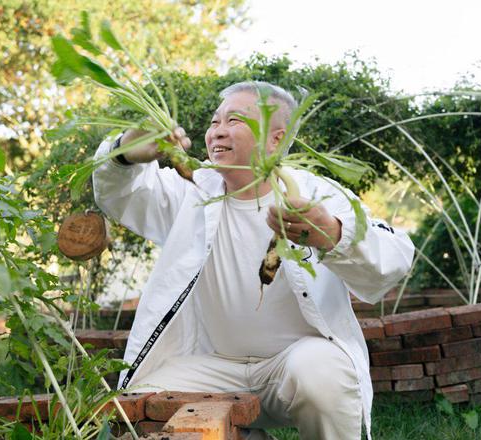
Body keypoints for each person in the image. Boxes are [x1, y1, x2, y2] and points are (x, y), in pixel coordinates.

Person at [92, 81, 415, 439]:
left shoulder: (317, 194)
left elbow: (397, 253)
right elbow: (121, 195)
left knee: (322, 370)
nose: (218, 131)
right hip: (214, 366)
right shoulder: (193, 191)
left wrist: (331, 234)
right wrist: (123, 151)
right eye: (215, 122)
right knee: (136, 405)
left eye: (235, 121)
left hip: (293, 366)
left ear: (276, 139)